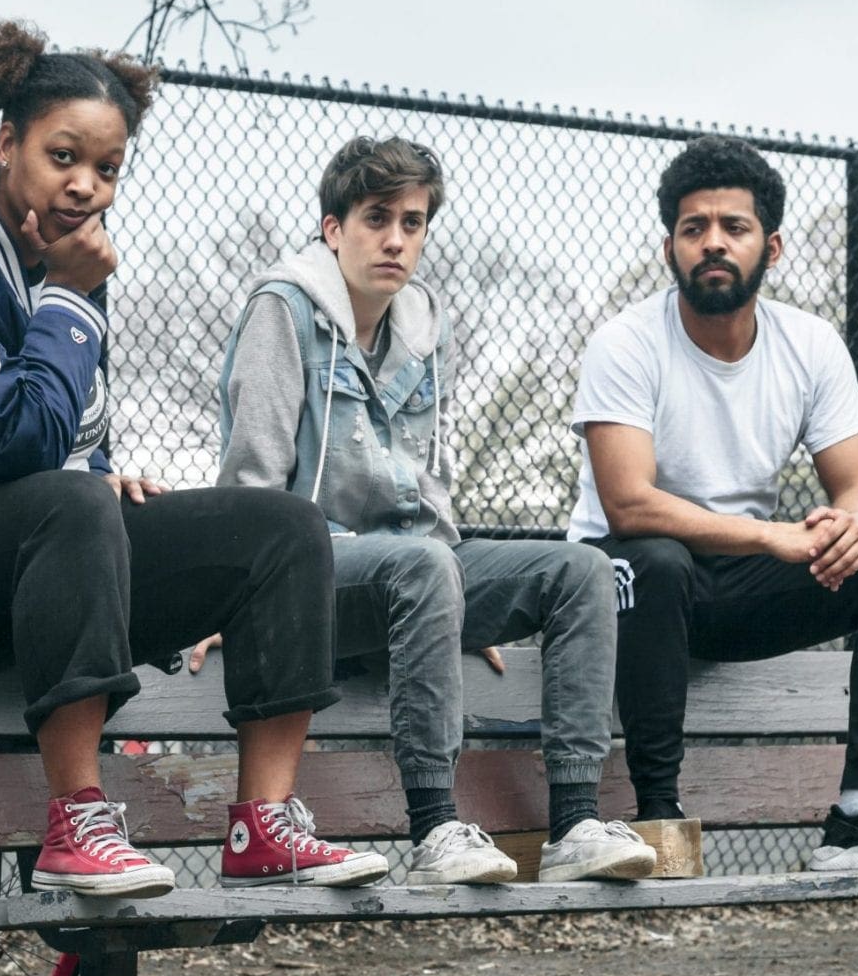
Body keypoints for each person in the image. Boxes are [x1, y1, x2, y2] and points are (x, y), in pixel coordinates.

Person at [0, 20, 386, 897]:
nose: (86, 187)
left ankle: (265, 825)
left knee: (282, 529)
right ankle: (78, 823)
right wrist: (69, 306)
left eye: (107, 169)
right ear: (7, 142)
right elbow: (2, 443)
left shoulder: (60, 266)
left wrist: (100, 470)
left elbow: (60, 431)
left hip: (22, 557)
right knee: (72, 503)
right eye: (64, 157)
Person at [208, 136, 655, 885]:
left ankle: (576, 820)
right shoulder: (281, 312)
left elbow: (429, 494)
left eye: (413, 223)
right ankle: (436, 828)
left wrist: (452, 603)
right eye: (377, 218)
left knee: (578, 570)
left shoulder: (421, 324)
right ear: (332, 228)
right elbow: (249, 484)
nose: (396, 239)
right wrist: (226, 601)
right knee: (423, 567)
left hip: (417, 571)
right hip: (309, 576)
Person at [569, 135, 858, 872]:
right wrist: (772, 539)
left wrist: (851, 533)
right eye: (694, 229)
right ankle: (658, 818)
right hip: (625, 592)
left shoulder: (811, 346)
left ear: (773, 246)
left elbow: (857, 487)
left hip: (733, 588)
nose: (714, 243)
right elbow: (627, 504)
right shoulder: (626, 343)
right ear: (671, 248)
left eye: (735, 227)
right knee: (657, 561)